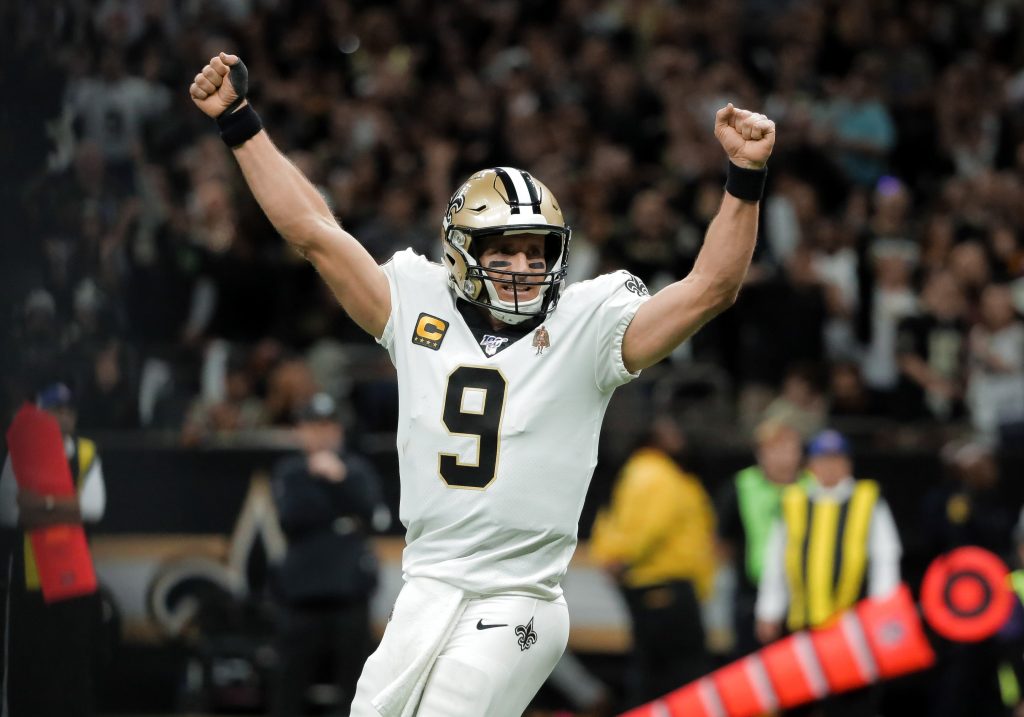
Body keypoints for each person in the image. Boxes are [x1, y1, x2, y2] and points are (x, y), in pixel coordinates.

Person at [189, 52, 775, 716]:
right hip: (428, 584)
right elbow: (315, 234)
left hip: (520, 593)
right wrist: (240, 121)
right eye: (504, 249)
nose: (523, 265)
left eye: (536, 250)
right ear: (464, 252)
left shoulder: (590, 325)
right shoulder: (415, 302)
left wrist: (744, 177)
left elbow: (710, 289)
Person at [755, 429, 901, 717]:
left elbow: (886, 558)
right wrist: (769, 611)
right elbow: (776, 562)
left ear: (848, 464)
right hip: (802, 622)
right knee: (799, 700)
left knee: (852, 702)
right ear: (811, 465)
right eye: (823, 460)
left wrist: (882, 611)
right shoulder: (794, 501)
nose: (830, 467)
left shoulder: (866, 499)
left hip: (852, 625)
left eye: (836, 459)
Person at [270, 392, 390, 717]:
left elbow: (376, 516)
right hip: (300, 600)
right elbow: (293, 517)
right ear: (300, 430)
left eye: (328, 426)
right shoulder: (290, 471)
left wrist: (340, 479)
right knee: (288, 691)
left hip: (350, 599)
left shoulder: (357, 470)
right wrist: (341, 516)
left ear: (339, 430)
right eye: (313, 426)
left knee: (355, 693)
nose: (321, 434)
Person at [590, 415, 717, 708]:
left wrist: (609, 555)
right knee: (682, 672)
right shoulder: (658, 475)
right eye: (670, 432)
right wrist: (619, 558)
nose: (679, 437)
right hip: (664, 583)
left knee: (651, 667)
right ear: (653, 437)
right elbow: (651, 527)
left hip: (651, 583)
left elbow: (609, 519)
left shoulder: (636, 472)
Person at [0, 383, 107, 717]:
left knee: (73, 664)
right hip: (31, 580)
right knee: (31, 664)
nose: (63, 417)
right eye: (55, 410)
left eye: (68, 411)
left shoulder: (87, 452)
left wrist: (41, 505)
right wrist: (66, 507)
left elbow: (92, 509)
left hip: (73, 578)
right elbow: (9, 512)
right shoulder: (19, 451)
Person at [716, 418, 808, 657]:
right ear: (760, 453)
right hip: (751, 594)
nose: (783, 457)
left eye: (789, 448)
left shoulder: (813, 487)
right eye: (774, 449)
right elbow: (722, 540)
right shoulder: (741, 486)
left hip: (803, 596)